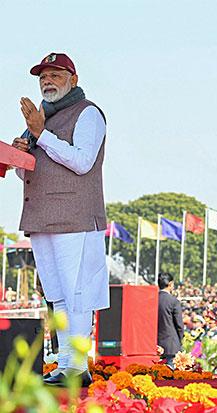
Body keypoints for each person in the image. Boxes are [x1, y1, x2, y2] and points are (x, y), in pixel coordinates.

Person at [12, 52, 108, 387]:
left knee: (77, 293)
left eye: (55, 75)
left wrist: (42, 135)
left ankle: (78, 367)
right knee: (59, 297)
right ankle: (67, 363)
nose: (47, 81)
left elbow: (83, 161)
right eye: (43, 77)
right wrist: (21, 150)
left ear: (73, 80)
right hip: (40, 218)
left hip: (74, 218)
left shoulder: (88, 114)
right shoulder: (41, 119)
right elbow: (44, 160)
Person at [157, 272, 184, 369]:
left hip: (155, 344)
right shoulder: (173, 301)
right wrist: (180, 340)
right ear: (170, 284)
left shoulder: (152, 299)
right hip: (171, 345)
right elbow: (179, 325)